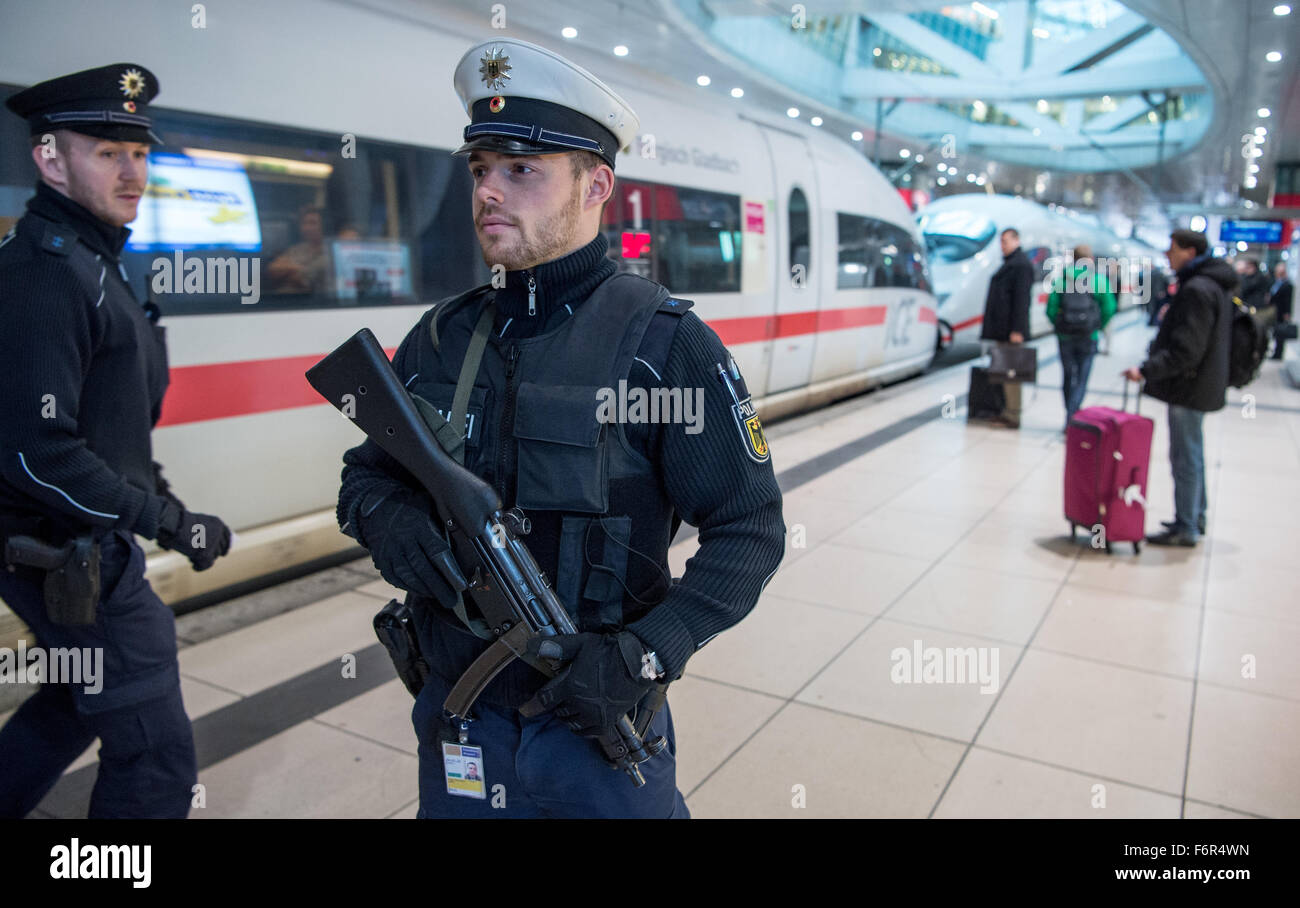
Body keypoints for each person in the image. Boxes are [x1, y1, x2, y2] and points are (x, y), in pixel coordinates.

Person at [334, 39, 785, 818]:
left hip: (594, 731)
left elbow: (750, 528)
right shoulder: (439, 340)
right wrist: (390, 520)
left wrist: (647, 653)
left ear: (596, 185)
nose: (489, 192)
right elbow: (364, 478)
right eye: (480, 169)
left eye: (522, 170)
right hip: (461, 721)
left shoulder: (666, 347)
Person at [0, 64, 231, 818]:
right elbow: (40, 452)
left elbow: (110, 425)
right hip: (67, 554)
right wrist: (164, 522)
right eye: (106, 151)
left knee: (75, 700)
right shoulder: (44, 276)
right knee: (155, 756)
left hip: (81, 545)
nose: (133, 171)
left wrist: (164, 503)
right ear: (50, 159)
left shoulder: (93, 261)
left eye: (140, 152)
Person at [1123, 229, 1234, 546]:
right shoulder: (1214, 285)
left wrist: (1145, 370)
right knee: (1193, 455)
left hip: (1189, 387)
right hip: (1201, 384)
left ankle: (1186, 526)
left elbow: (1186, 350)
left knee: (1185, 457)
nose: (1167, 255)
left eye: (1172, 249)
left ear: (1189, 252)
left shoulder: (1196, 290)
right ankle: (1194, 517)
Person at [1047, 244, 1116, 425]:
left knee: (1068, 376)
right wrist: (1097, 326)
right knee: (1082, 377)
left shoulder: (1062, 280)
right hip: (1089, 336)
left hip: (1065, 337)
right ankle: (1073, 414)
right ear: (1090, 260)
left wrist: (1060, 325)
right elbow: (1109, 307)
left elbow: (1051, 309)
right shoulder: (1098, 280)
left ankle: (1070, 412)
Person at [978, 227, 1034, 427]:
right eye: (1001, 242)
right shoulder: (1012, 264)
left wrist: (1017, 330)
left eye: (1005, 241)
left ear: (1016, 241)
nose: (1002, 246)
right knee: (1003, 372)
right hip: (1003, 329)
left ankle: (1012, 414)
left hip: (1011, 331)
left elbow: (1022, 301)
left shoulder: (1020, 266)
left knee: (1011, 374)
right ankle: (1005, 410)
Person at [266, 206, 331, 294]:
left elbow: (302, 280)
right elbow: (273, 270)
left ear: (323, 226)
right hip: (282, 300)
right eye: (304, 223)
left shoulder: (330, 252)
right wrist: (298, 269)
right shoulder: (296, 249)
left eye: (312, 223)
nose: (307, 228)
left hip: (313, 304)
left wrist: (289, 271)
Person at [1269, 262, 1292, 360]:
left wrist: (1287, 313)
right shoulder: (1277, 282)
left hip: (1281, 312)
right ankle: (1276, 352)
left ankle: (1278, 353)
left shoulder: (1287, 284)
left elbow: (1288, 300)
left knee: (1280, 333)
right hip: (1275, 311)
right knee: (1276, 332)